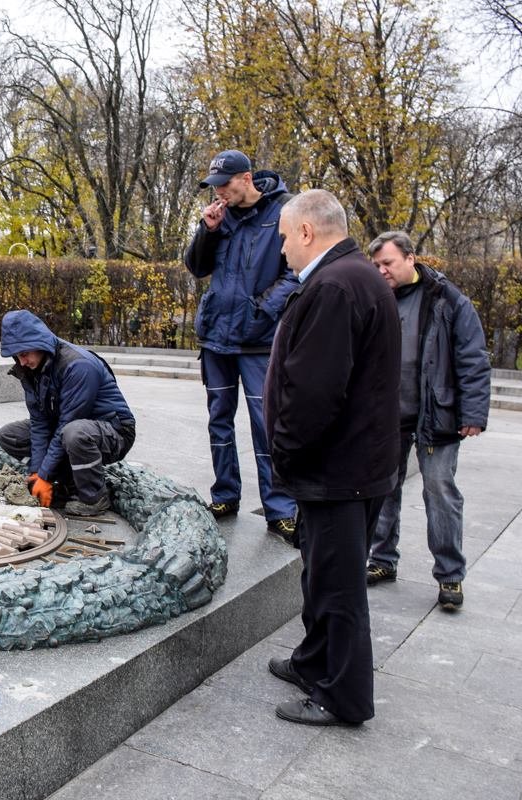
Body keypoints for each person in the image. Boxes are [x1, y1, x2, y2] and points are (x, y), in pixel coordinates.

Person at [263, 190, 401, 726]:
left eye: (282, 237)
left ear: (305, 233)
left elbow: (315, 392)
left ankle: (340, 696)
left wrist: (286, 455)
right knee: (320, 576)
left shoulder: (335, 286)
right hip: (350, 465)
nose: (281, 250)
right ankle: (312, 663)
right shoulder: (352, 276)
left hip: (338, 470)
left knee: (339, 588)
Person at [366, 231, 491, 611]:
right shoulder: (375, 297)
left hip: (436, 415)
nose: (381, 271)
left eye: (387, 263)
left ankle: (450, 575)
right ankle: (383, 560)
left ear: (410, 258)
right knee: (384, 489)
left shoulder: (447, 299)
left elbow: (472, 357)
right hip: (388, 416)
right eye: (376, 265)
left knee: (440, 490)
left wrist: (473, 413)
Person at [184, 149, 299, 542]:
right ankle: (225, 494)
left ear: (246, 178)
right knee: (219, 418)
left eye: (224, 184)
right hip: (217, 337)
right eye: (214, 186)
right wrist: (208, 230)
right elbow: (197, 268)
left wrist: (261, 310)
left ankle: (280, 507)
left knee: (266, 424)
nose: (219, 193)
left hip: (258, 341)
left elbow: (295, 272)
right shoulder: (220, 215)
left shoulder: (283, 210)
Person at [0, 309, 136, 516]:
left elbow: (68, 424)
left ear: (38, 344)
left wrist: (44, 475)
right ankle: (67, 484)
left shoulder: (78, 366)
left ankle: (94, 497)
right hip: (70, 428)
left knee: (74, 433)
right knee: (10, 435)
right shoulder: (29, 370)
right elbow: (40, 424)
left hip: (113, 431)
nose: (21, 361)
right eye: (17, 356)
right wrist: (37, 473)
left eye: (24, 353)